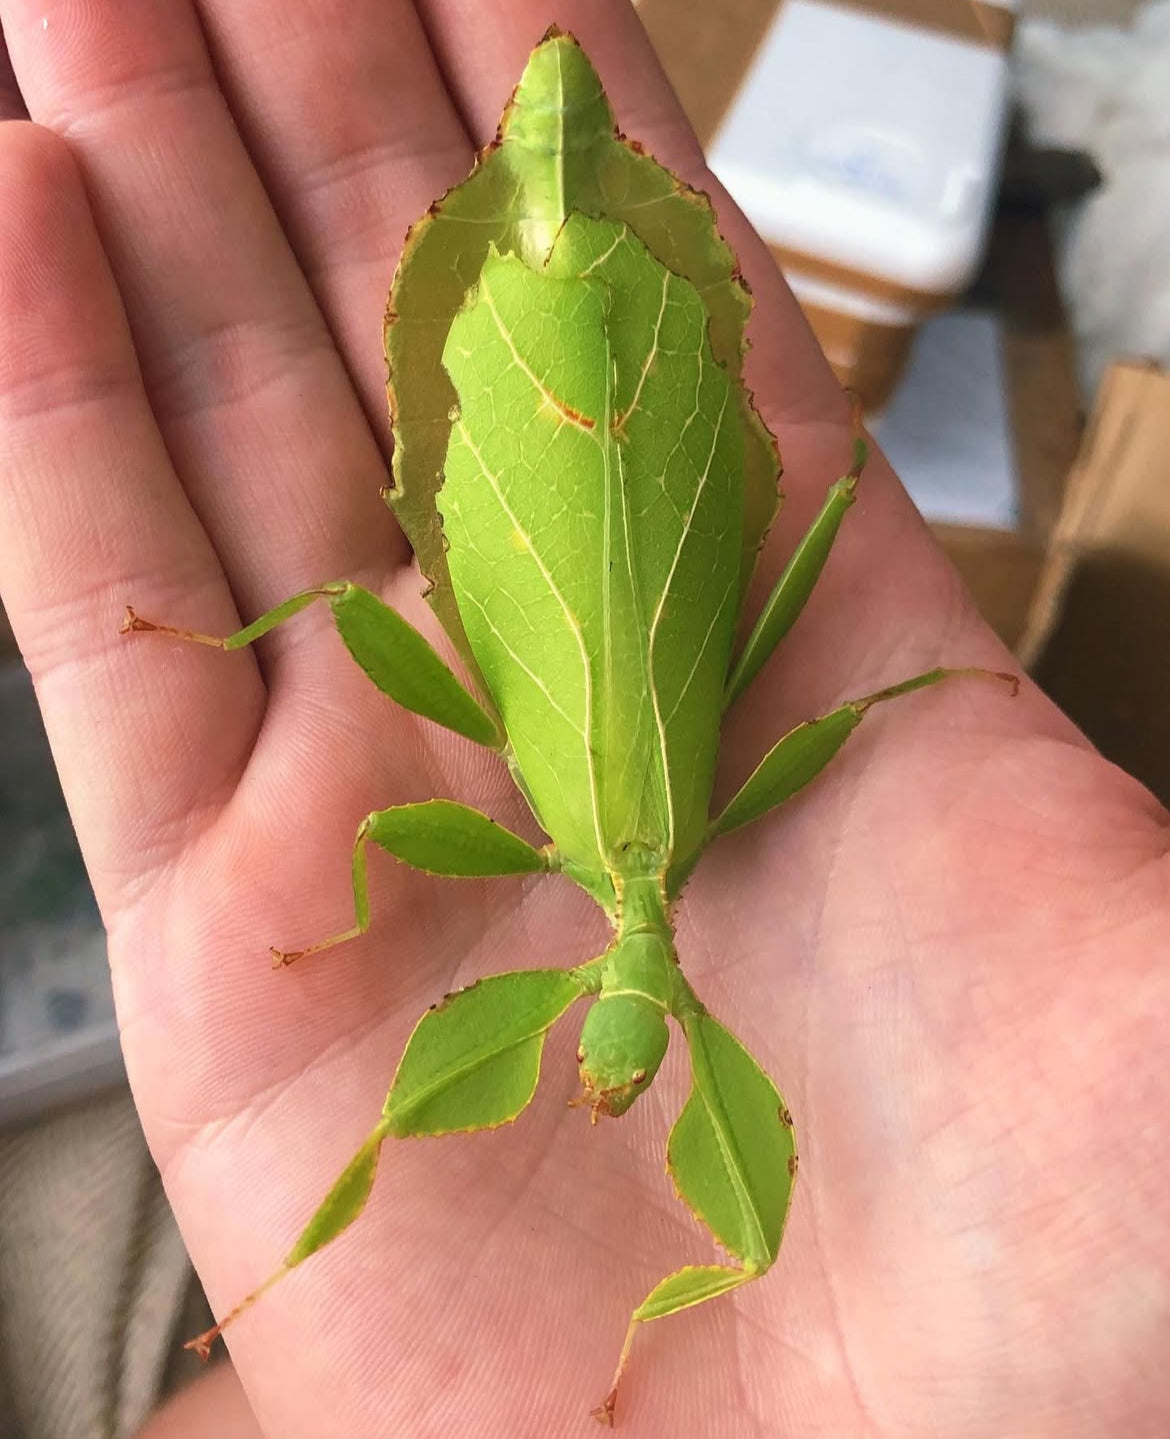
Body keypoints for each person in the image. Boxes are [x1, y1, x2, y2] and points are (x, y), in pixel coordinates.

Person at [1, 2, 1167, 1435]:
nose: (603, 1079)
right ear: (656, 1034)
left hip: (561, 365)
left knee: (365, 636)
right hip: (593, 363)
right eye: (624, 1068)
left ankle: (273, 1287)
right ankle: (264, 1290)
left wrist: (928, 679)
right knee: (355, 620)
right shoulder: (648, 857)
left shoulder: (658, 852)